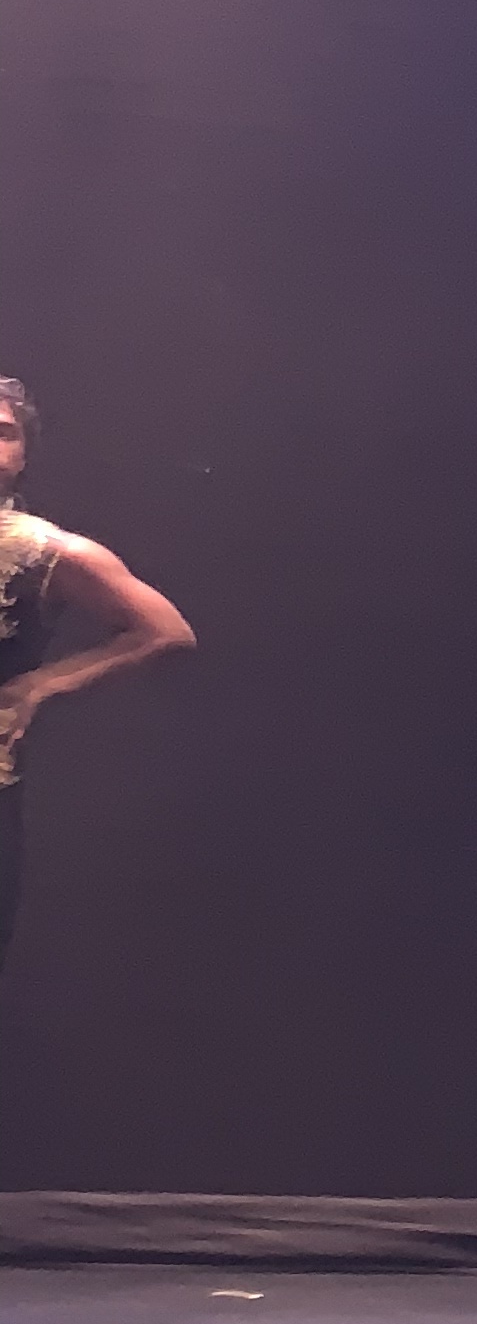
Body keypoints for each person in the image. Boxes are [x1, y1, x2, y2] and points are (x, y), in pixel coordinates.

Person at [0, 377, 197, 976]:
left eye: (3, 432)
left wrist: (40, 686)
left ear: (23, 454)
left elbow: (163, 630)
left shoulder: (47, 552)